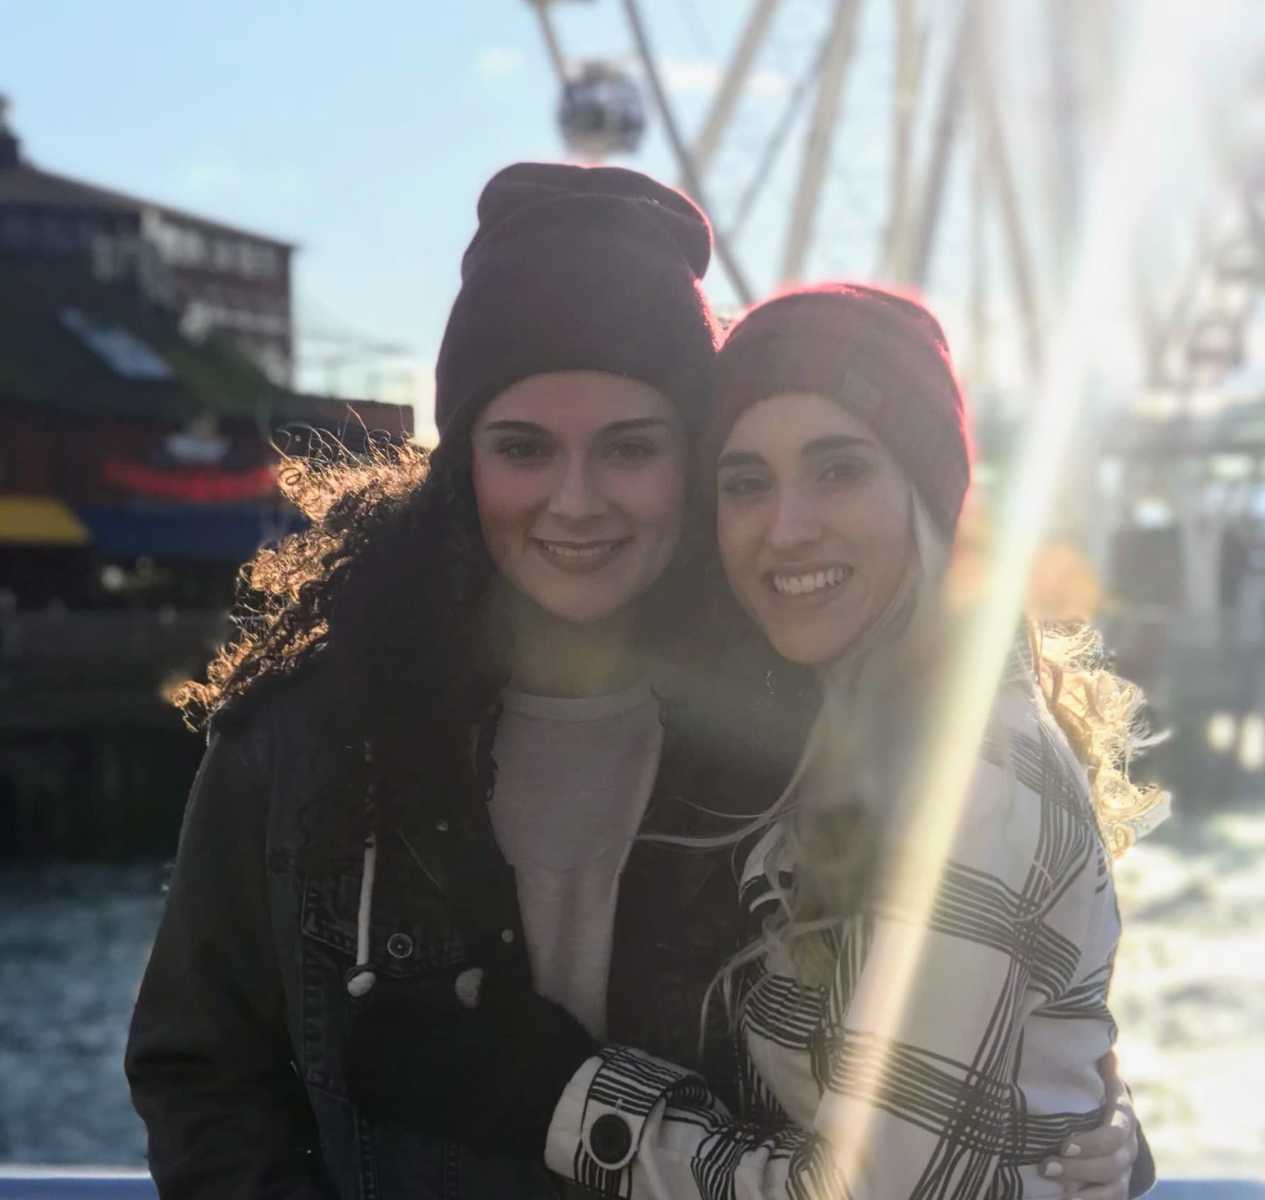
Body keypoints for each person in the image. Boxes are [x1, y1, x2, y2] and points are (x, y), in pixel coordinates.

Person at [125, 167, 1147, 1200]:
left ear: (692, 465)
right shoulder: (300, 743)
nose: (576, 502)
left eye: (631, 448)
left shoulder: (794, 721)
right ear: (460, 463)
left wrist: (1082, 1127)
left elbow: (948, 1054)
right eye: (523, 448)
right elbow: (206, 1079)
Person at [534, 283, 1160, 1198]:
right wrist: (1079, 1111)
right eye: (746, 484)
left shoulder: (968, 777)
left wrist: (563, 1099)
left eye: (839, 470)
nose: (786, 529)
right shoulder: (844, 726)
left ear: (928, 495)